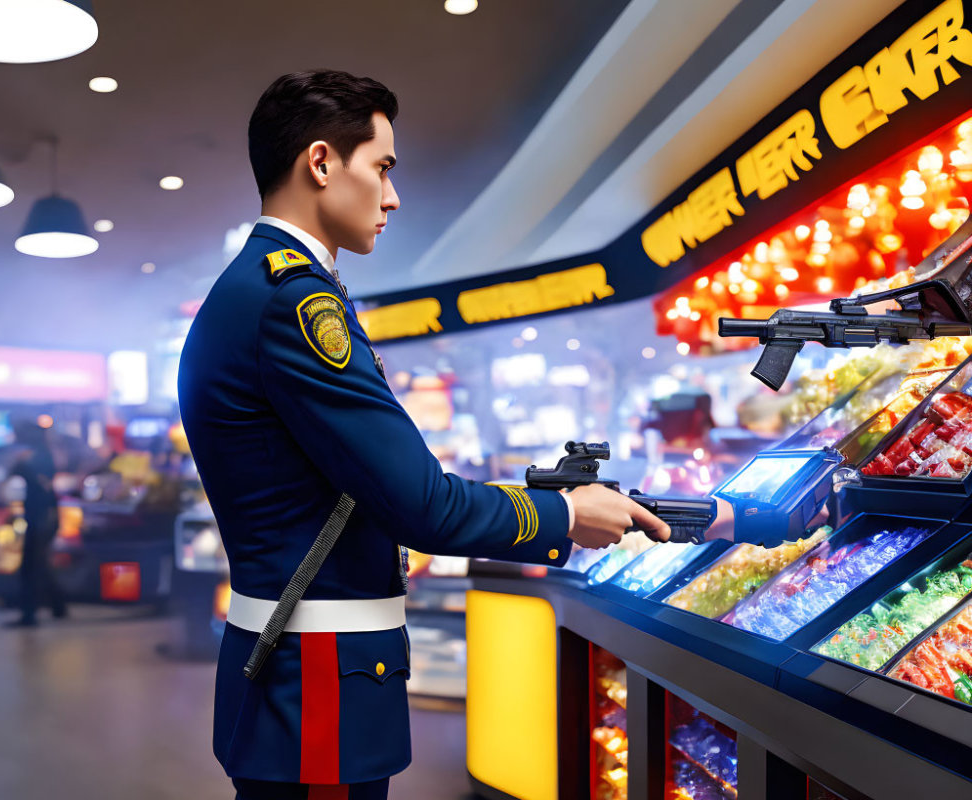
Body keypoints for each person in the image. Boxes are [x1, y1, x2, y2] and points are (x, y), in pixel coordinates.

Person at [178, 70, 670, 800]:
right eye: (381, 167)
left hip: (298, 667)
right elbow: (421, 504)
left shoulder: (259, 290)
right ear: (320, 163)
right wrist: (566, 514)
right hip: (317, 681)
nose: (393, 195)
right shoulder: (292, 302)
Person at [6, 419, 66, 627]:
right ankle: (58, 605)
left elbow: (37, 484)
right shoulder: (37, 455)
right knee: (38, 565)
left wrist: (20, 465)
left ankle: (29, 615)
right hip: (40, 516)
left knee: (31, 567)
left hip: (42, 517)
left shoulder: (36, 457)